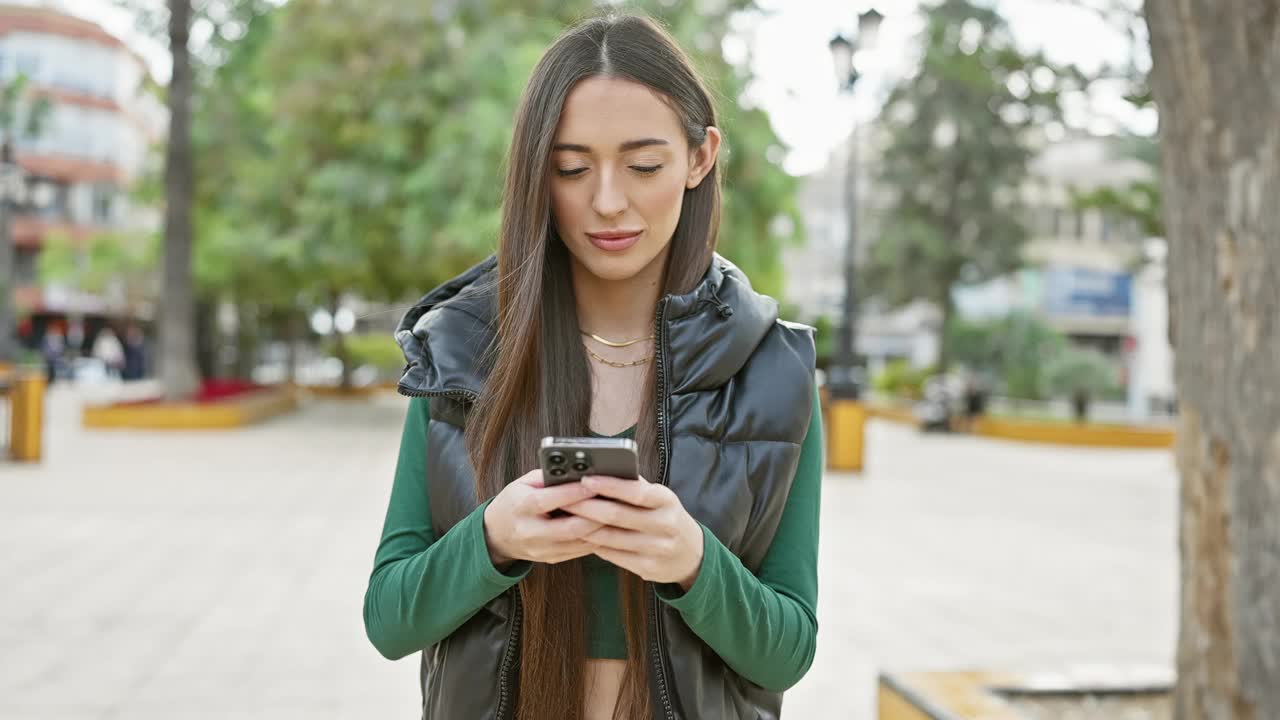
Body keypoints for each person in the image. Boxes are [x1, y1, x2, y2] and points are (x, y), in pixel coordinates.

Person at [363, 12, 822, 720]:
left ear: (700, 158)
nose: (607, 201)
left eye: (643, 165)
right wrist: (494, 539)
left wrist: (694, 562)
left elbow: (788, 649)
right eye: (571, 168)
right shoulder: (459, 348)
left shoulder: (773, 367)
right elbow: (390, 618)